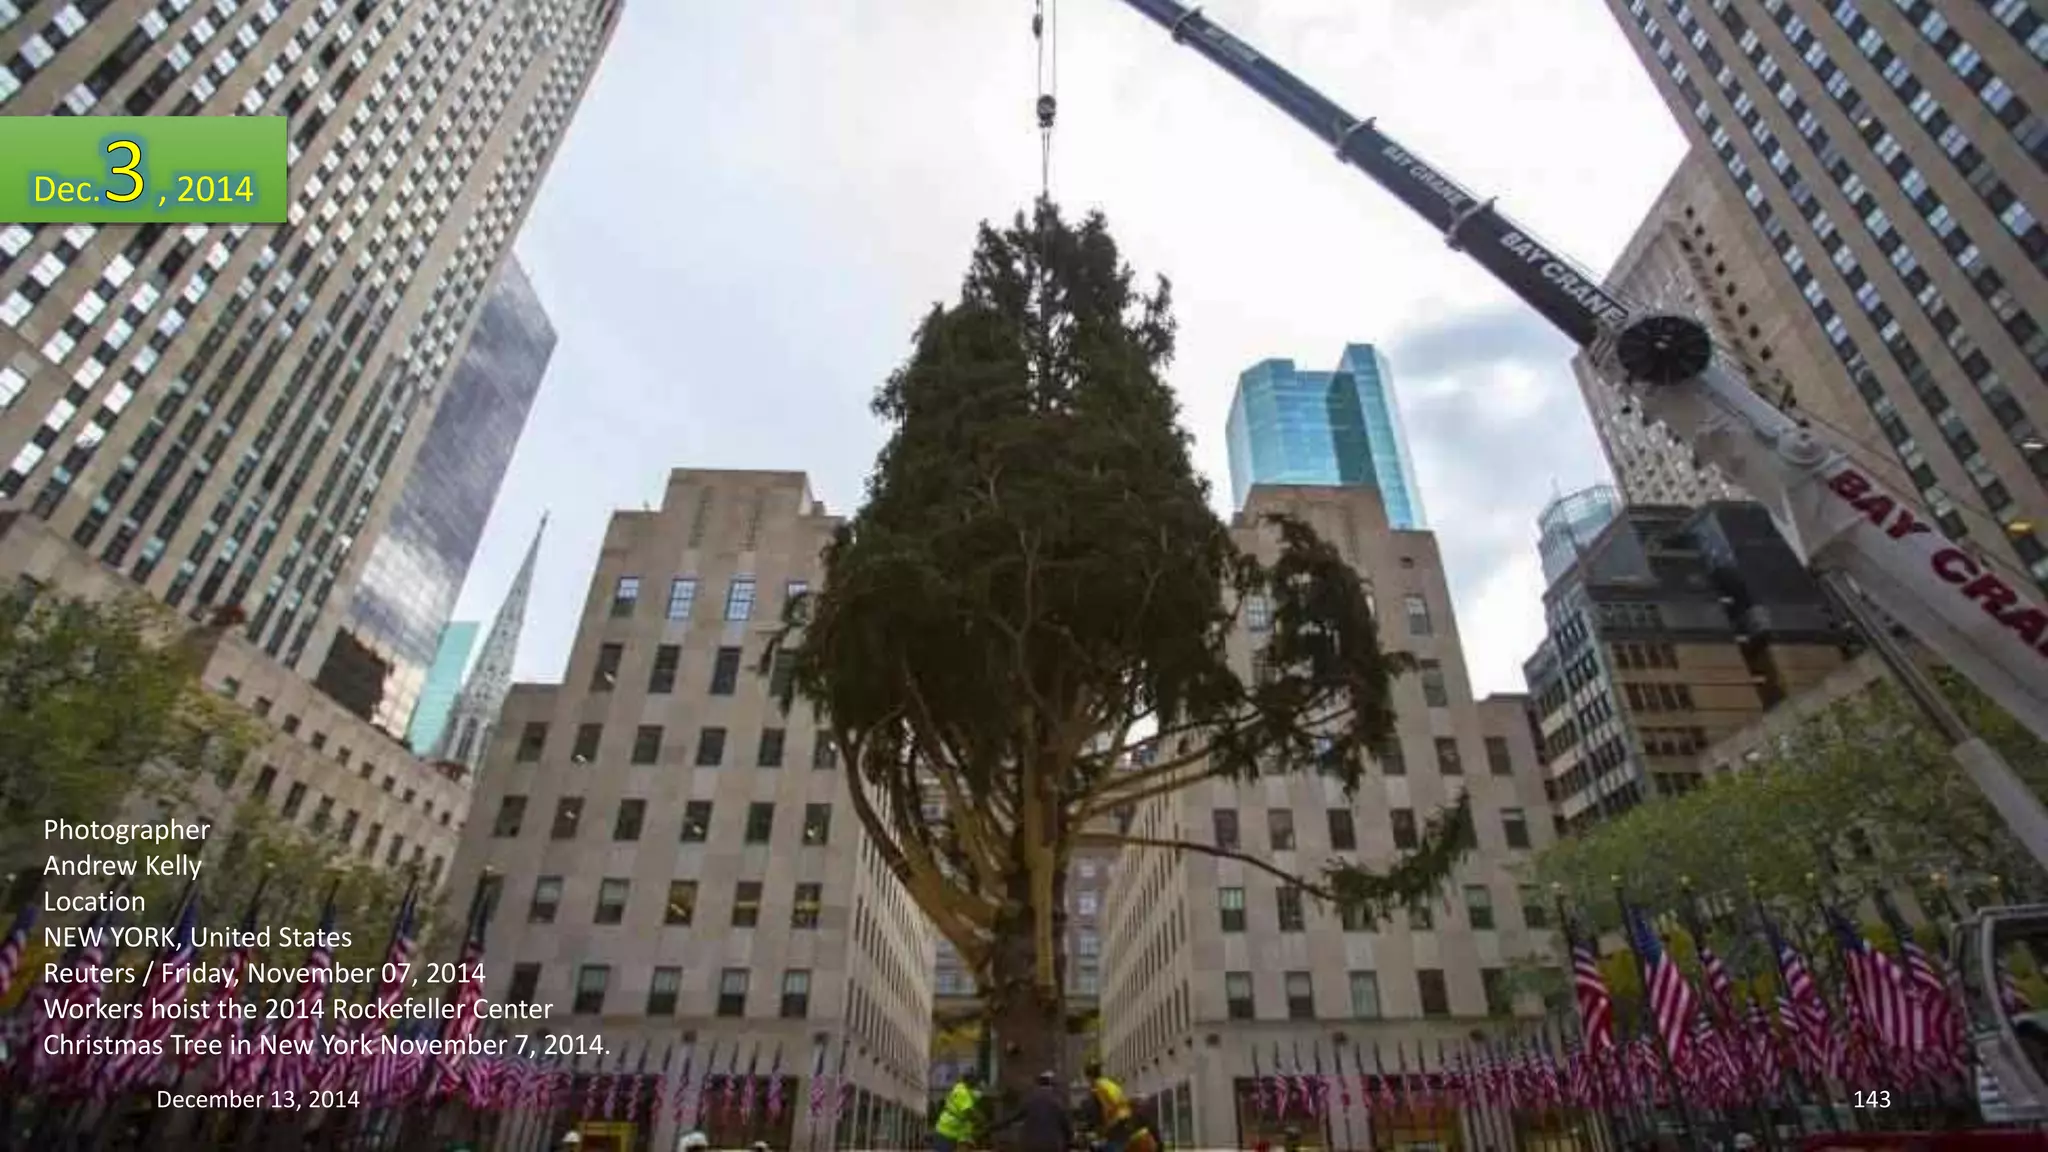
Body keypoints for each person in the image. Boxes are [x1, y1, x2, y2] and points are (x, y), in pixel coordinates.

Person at [1079, 1061, 1136, 1152]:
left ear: (1089, 1077)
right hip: (1125, 1120)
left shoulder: (1098, 1087)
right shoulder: (1109, 1083)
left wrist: (1103, 1130)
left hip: (1115, 1123)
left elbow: (1106, 1108)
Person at [934, 1067, 985, 1152]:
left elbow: (973, 1107)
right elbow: (969, 1112)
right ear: (970, 1080)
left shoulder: (963, 1089)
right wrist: (981, 1121)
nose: (978, 1083)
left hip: (958, 1131)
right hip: (947, 1131)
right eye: (976, 1080)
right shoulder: (962, 1092)